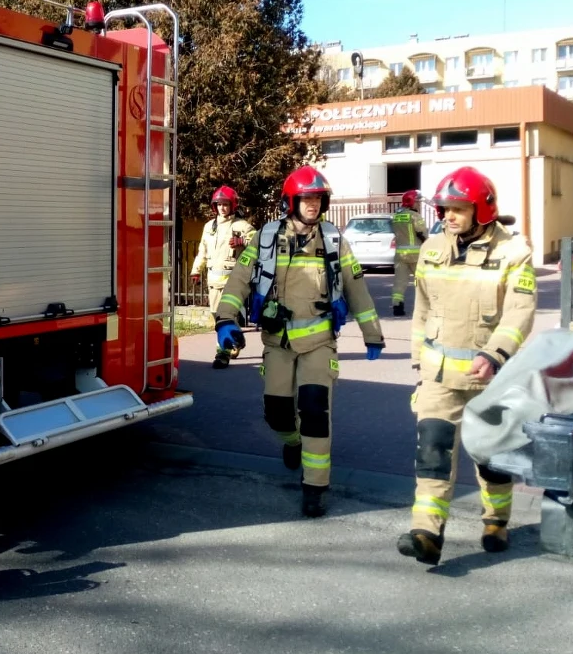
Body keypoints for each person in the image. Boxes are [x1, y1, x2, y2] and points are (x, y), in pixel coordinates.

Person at [214, 166, 385, 517]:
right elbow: (238, 281)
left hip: (319, 343)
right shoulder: (265, 238)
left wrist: (373, 334)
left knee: (314, 411)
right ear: (291, 201)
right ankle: (291, 442)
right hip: (277, 342)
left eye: (318, 198)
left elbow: (357, 289)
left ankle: (315, 487)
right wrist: (224, 320)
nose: (312, 204)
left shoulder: (335, 241)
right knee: (277, 413)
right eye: (306, 198)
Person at [398, 166, 537, 566]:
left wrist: (495, 354)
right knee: (432, 452)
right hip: (439, 377)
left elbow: (520, 312)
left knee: (490, 458)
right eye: (444, 209)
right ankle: (427, 533)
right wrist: (417, 362)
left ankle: (496, 520)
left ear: (482, 209)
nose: (446, 216)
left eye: (457, 209)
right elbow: (422, 310)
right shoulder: (432, 249)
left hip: (489, 378)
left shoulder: (513, 252)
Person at [190, 185, 256, 369]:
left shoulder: (241, 226)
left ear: (232, 205)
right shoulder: (209, 227)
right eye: (219, 204)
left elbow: (259, 242)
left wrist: (242, 241)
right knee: (218, 316)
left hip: (233, 283)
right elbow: (202, 250)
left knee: (224, 318)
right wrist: (196, 270)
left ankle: (223, 353)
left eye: (226, 204)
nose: (222, 208)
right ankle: (234, 341)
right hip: (213, 282)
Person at [391, 190, 428, 317]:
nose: (418, 204)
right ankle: (424, 306)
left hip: (400, 255)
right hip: (415, 254)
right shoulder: (415, 216)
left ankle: (397, 306)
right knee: (420, 280)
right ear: (411, 201)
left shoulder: (396, 215)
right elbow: (421, 232)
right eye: (417, 201)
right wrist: (427, 243)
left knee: (400, 282)